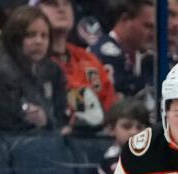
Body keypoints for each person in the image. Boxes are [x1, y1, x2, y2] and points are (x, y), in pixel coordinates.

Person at [35, 0, 117, 131]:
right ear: (33, 11)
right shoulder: (31, 62)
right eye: (51, 3)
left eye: (66, 3)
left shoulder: (88, 60)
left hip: (93, 142)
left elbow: (112, 110)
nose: (62, 9)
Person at [0, 5, 68, 132]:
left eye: (44, 36)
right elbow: (5, 123)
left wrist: (48, 120)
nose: (39, 41)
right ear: (15, 38)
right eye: (31, 35)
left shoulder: (53, 70)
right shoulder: (0, 71)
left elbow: (61, 114)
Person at [98, 98, 151, 174]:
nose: (134, 132)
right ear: (111, 129)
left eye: (140, 127)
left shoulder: (156, 159)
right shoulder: (105, 163)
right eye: (126, 126)